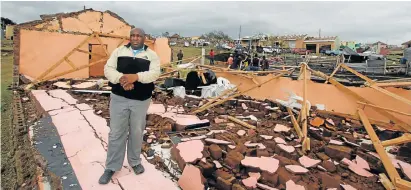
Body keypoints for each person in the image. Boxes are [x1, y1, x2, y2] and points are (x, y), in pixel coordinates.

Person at [99, 28, 161, 184]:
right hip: (119, 97)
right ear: (130, 37)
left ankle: (134, 161)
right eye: (133, 35)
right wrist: (122, 79)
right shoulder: (119, 51)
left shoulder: (151, 55)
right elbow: (108, 69)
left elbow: (155, 73)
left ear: (144, 38)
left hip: (141, 100)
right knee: (116, 133)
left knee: (136, 131)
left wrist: (136, 77)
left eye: (138, 35)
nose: (135, 38)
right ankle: (111, 167)